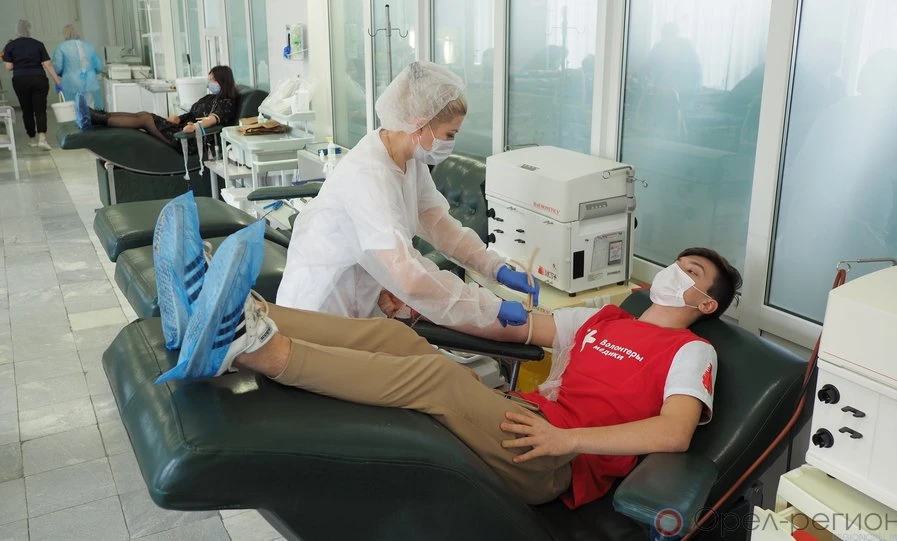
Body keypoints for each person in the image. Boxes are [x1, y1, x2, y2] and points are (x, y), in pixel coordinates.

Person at [150, 193, 742, 507]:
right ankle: (233, 312)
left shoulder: (692, 352)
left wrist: (568, 441)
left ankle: (252, 349)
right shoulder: (604, 319)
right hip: (521, 420)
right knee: (396, 338)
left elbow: (674, 434)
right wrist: (425, 309)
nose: (674, 272)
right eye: (677, 263)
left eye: (690, 273)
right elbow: (514, 329)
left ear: (706, 302)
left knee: (438, 381)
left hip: (552, 460)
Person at [277, 61, 537, 328]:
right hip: (321, 305)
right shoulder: (368, 176)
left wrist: (495, 267)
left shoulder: (410, 159)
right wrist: (489, 307)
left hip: (358, 298)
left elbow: (439, 225)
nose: (450, 143)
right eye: (449, 134)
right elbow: (408, 276)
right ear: (420, 125)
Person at [75, 65, 239, 154]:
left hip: (189, 139)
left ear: (222, 81)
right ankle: (99, 116)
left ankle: (98, 118)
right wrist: (179, 118)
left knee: (146, 119)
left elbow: (212, 119)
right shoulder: (209, 98)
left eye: (212, 80)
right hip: (182, 129)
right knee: (144, 115)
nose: (209, 83)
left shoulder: (227, 102)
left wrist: (194, 127)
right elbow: (191, 114)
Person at [2, 20, 63, 150]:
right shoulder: (38, 44)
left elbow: (8, 67)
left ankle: (32, 139)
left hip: (20, 80)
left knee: (26, 109)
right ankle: (42, 139)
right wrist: (57, 81)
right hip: (38, 78)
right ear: (29, 29)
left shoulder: (10, 46)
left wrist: (18, 62)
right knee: (40, 109)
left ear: (16, 30)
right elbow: (48, 64)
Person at [52, 23, 104, 108]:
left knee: (74, 108)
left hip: (71, 82)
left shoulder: (61, 47)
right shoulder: (89, 46)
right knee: (90, 107)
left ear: (65, 34)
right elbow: (99, 66)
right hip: (90, 82)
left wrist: (62, 73)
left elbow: (57, 67)